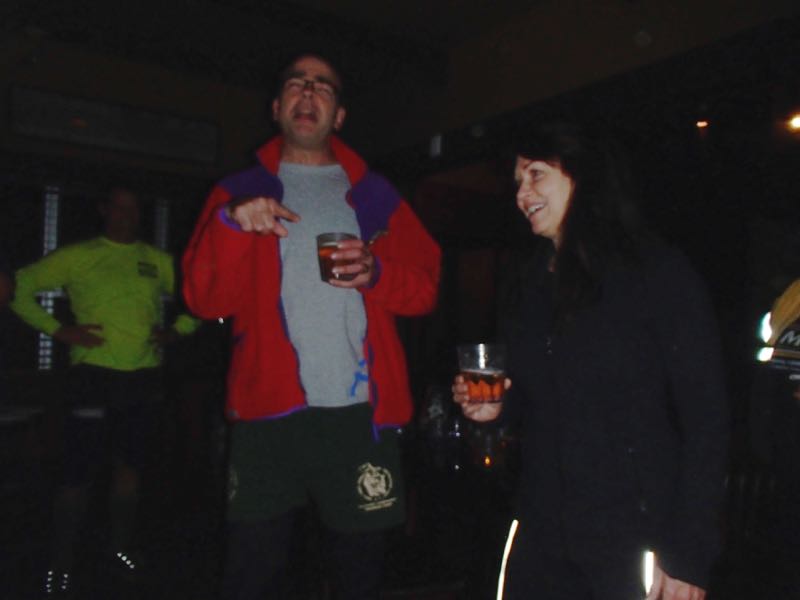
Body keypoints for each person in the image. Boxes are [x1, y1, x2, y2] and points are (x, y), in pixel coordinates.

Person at [182, 53, 441, 599]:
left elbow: (425, 289)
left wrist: (378, 273)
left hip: (358, 416)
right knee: (251, 576)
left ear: (338, 114)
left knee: (358, 577)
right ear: (277, 107)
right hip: (265, 413)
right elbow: (203, 300)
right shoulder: (237, 192)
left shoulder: (375, 195)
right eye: (296, 83)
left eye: (322, 85)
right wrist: (231, 225)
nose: (308, 91)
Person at [452, 122, 729, 600]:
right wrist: (495, 407)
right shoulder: (528, 282)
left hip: (632, 539)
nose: (522, 194)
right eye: (518, 181)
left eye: (536, 174)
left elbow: (707, 418)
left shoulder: (656, 272)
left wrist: (690, 550)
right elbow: (532, 396)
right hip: (540, 534)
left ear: (583, 174)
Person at [10, 186, 200, 596]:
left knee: (129, 470)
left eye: (133, 207)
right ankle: (60, 564)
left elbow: (200, 297)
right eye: (118, 206)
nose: (126, 214)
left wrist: (177, 331)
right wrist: (60, 330)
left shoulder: (155, 260)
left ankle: (119, 550)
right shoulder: (79, 255)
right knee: (77, 474)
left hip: (142, 378)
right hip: (93, 376)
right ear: (104, 210)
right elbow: (17, 289)